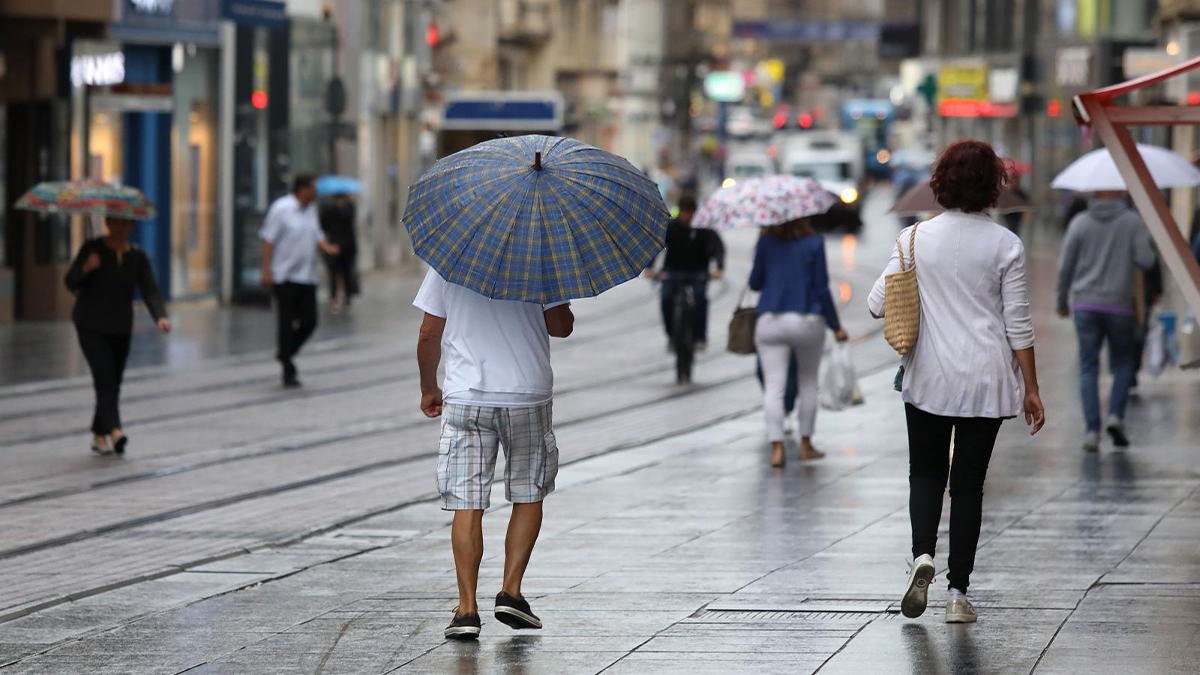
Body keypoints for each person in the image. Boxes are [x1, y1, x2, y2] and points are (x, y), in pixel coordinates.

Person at [869, 140, 1045, 624]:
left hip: (928, 378)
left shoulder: (913, 238)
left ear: (940, 183)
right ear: (993, 186)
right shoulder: (1006, 244)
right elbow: (1019, 323)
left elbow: (875, 303)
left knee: (926, 474)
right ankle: (957, 595)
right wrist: (1031, 388)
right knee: (969, 487)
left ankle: (922, 555)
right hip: (987, 381)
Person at [414, 268, 575, 641]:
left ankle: (466, 609)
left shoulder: (449, 261)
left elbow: (428, 333)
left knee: (467, 500)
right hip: (527, 394)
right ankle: (511, 592)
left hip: (467, 394)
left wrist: (428, 387)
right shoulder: (542, 258)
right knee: (529, 491)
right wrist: (556, 291)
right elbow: (561, 327)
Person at [1056, 191, 1156, 451]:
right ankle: (1115, 416)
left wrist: (1061, 301)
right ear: (1119, 191)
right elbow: (1147, 259)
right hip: (1120, 305)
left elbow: (1065, 266)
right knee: (1123, 363)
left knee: (1088, 367)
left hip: (1085, 305)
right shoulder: (1132, 221)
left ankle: (1092, 431)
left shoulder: (1079, 222)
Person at [64, 217, 171, 455]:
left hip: (120, 327)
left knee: (113, 381)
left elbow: (150, 289)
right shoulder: (92, 248)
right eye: (114, 222)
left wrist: (160, 316)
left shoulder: (137, 256)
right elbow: (70, 282)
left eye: (124, 223)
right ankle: (115, 431)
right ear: (107, 223)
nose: (119, 227)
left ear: (131, 226)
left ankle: (98, 434)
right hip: (90, 324)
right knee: (104, 378)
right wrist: (86, 268)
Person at [750, 218, 848, 467]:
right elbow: (822, 288)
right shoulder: (814, 243)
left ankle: (777, 449)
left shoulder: (766, 242)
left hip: (770, 320)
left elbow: (755, 283)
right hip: (807, 320)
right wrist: (835, 325)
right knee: (808, 382)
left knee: (774, 386)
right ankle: (806, 445)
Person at [261, 174, 339, 388]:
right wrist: (266, 270)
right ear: (302, 189)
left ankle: (285, 352)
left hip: (307, 276)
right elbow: (268, 240)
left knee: (309, 321)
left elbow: (317, 236)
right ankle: (288, 368)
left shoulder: (311, 210)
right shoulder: (281, 209)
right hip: (284, 276)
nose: (316, 192)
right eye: (313, 188)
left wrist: (328, 248)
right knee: (285, 323)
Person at [658, 195, 725, 351]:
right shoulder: (671, 227)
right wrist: (650, 268)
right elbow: (658, 246)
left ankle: (700, 337)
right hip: (673, 270)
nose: (686, 216)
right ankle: (671, 335)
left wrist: (719, 268)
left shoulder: (704, 228)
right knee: (666, 298)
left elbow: (718, 248)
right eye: (684, 212)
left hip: (698, 271)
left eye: (689, 212)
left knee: (700, 299)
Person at [319, 192, 358, 312]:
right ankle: (334, 297)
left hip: (348, 246)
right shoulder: (328, 209)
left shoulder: (349, 207)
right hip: (334, 245)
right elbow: (323, 225)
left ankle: (347, 296)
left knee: (346, 272)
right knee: (333, 272)